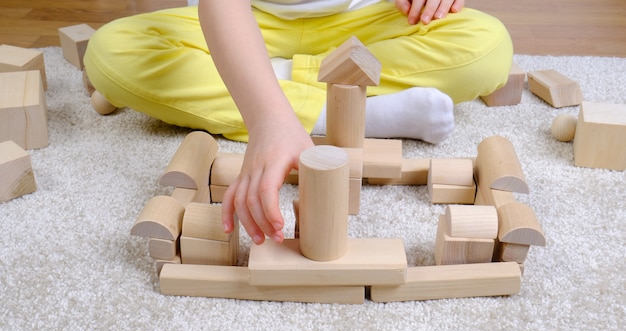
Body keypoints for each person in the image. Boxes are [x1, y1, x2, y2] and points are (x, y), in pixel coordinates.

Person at [84, 0, 513, 246]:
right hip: (243, 20)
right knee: (112, 52)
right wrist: (266, 119)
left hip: (360, 21)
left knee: (487, 45)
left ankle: (272, 78)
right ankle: (346, 106)